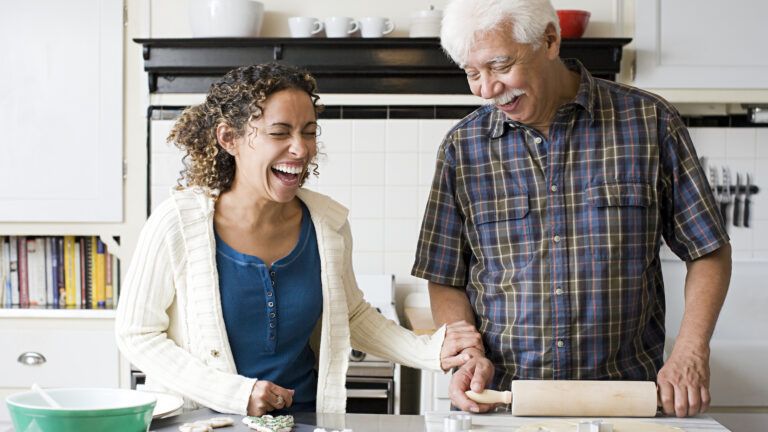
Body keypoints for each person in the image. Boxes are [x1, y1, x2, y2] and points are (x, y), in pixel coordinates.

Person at [411, 0, 731, 418]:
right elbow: (445, 274)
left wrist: (690, 351)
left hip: (626, 401)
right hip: (506, 402)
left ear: (548, 40)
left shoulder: (650, 123)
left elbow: (707, 250)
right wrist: (468, 352)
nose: (487, 89)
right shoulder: (463, 148)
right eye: (473, 73)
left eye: (500, 66)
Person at [116, 63, 482, 416]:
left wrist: (430, 351)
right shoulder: (177, 223)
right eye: (280, 132)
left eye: (308, 131)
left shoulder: (327, 224)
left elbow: (350, 315)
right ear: (230, 138)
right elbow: (138, 334)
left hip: (304, 420)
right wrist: (235, 394)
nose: (301, 149)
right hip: (208, 421)